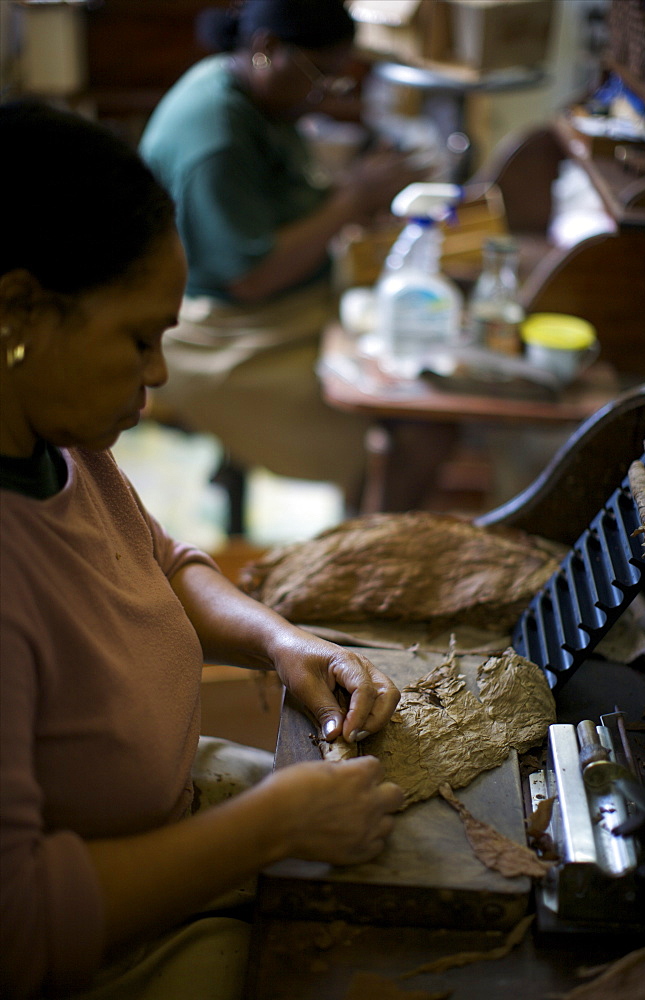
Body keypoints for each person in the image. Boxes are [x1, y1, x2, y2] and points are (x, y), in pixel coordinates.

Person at [0, 100, 403, 1000]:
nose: (157, 374)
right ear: (19, 310)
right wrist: (270, 828)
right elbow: (18, 927)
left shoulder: (58, 444)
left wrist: (277, 641)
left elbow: (161, 562)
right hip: (97, 952)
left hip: (173, 801)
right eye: (138, 338)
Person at [139, 0, 426, 505]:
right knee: (403, 434)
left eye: (336, 79)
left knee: (391, 352)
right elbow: (250, 277)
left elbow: (286, 197)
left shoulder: (253, 91)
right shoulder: (217, 136)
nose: (323, 95)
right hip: (212, 334)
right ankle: (369, 541)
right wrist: (351, 201)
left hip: (270, 312)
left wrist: (351, 199)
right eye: (320, 76)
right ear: (267, 48)